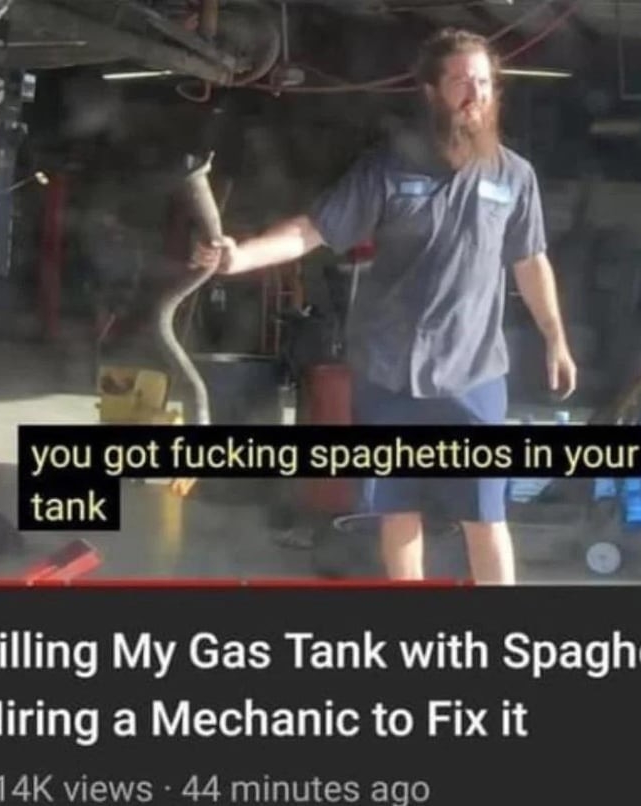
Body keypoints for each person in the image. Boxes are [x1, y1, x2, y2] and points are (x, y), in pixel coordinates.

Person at [194, 28, 576, 585]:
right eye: (461, 81)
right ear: (430, 91)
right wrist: (239, 257)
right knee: (399, 511)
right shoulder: (388, 169)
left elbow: (530, 261)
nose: (475, 93)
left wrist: (556, 338)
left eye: (484, 82)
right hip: (390, 372)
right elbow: (312, 231)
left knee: (485, 516)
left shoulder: (514, 177)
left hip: (473, 376)